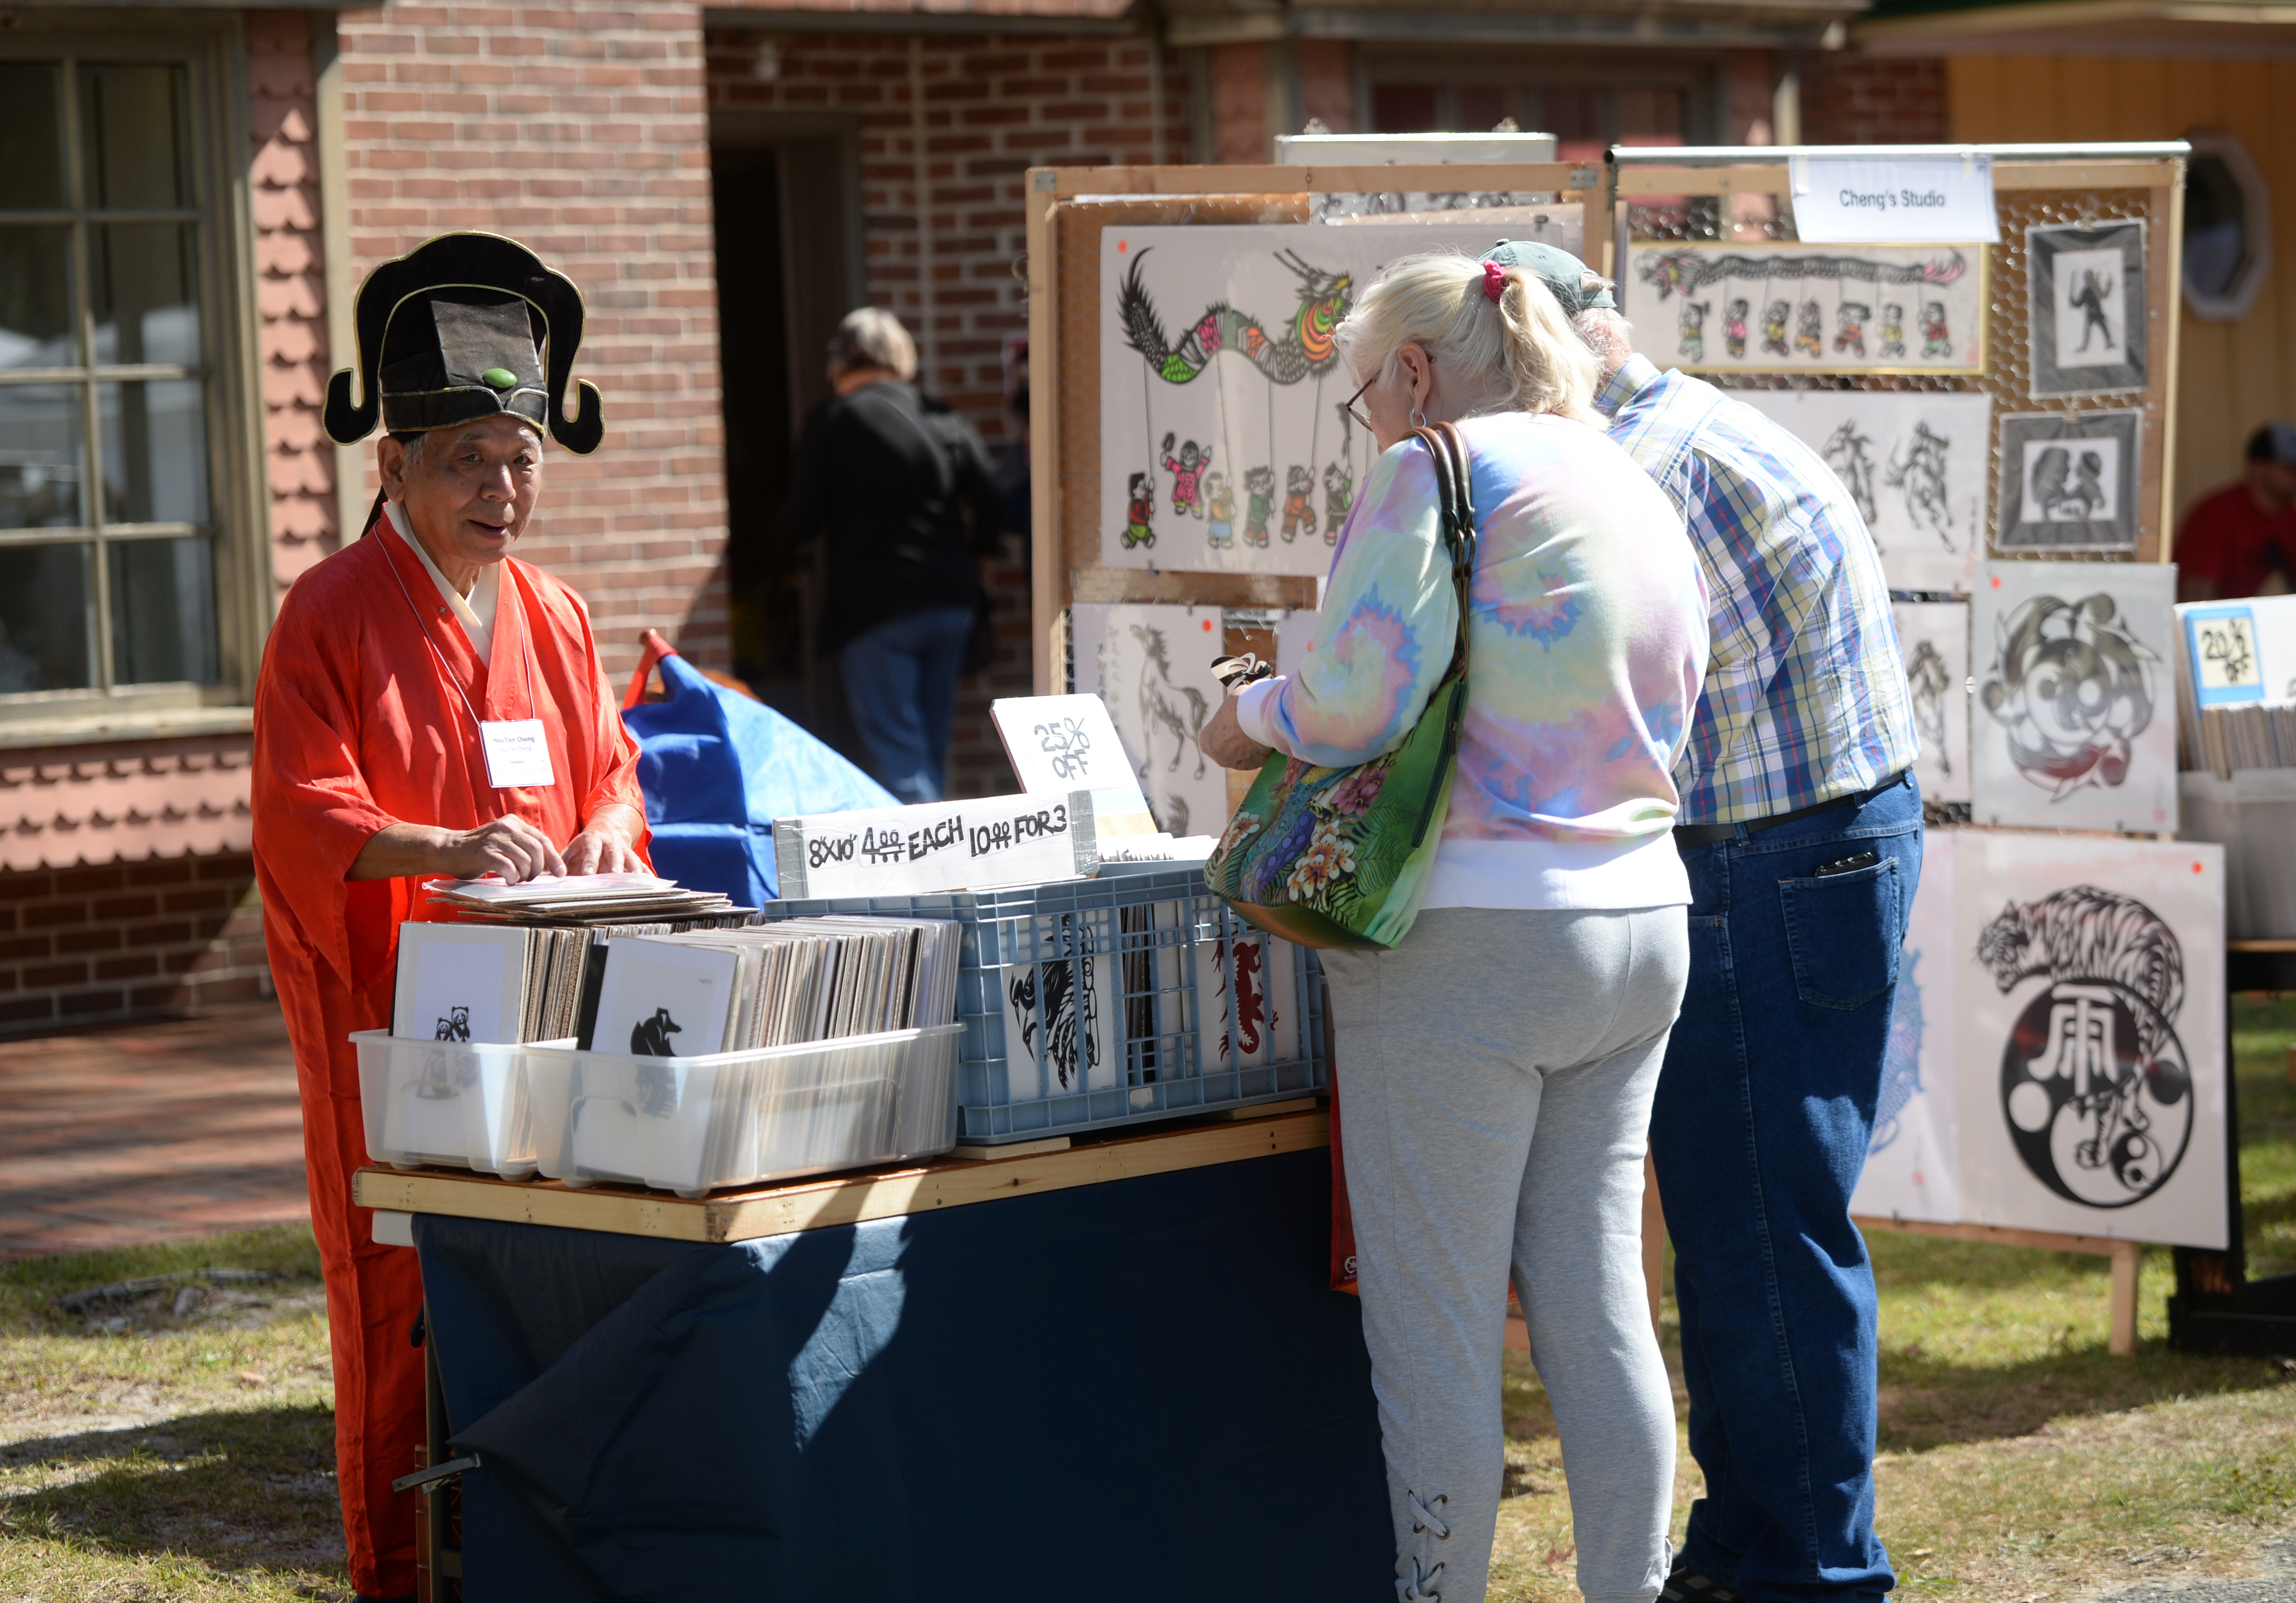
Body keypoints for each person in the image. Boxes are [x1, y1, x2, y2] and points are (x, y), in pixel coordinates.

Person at [1200, 252, 1712, 1603]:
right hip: (1639, 915)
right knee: (1599, 1301)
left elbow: (1357, 700)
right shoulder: (1627, 476)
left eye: (1366, 390)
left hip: (1471, 937)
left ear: (1418, 372)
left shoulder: (1429, 468)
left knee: (1436, 1333)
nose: (1366, 417)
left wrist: (1248, 714)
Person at [1489, 239, 1922, 1603]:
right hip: (1795, 848)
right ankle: (1749, 1548)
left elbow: (1634, 730)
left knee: (1763, 1238)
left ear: (1575, 345)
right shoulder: (1670, 435)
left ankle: (1809, 1571)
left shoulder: (1645, 471)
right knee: (1745, 1228)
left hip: (1770, 858)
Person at [253, 232, 650, 1602]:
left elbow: (613, 775)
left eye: (521, 458)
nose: (502, 489)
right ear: (393, 464)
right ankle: (405, 1568)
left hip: (547, 1020)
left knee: (550, 1273)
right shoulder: (328, 613)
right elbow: (303, 810)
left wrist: (606, 833)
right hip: (396, 1017)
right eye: (468, 459)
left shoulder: (559, 611)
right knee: (401, 1291)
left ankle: (533, 1552)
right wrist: (445, 845)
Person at [786, 307, 1003, 803]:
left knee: (899, 754)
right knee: (929, 744)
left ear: (840, 362)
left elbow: (801, 520)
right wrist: (981, 556)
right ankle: (942, 833)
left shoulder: (832, 420)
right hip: (950, 600)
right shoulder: (940, 416)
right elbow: (989, 497)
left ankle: (928, 846)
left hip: (875, 607)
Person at [2174, 421, 2296, 602]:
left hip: (2242, 613)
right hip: (2192, 614)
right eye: (2289, 468)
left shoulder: (2287, 516)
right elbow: (2196, 597)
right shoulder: (2218, 514)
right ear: (2259, 468)